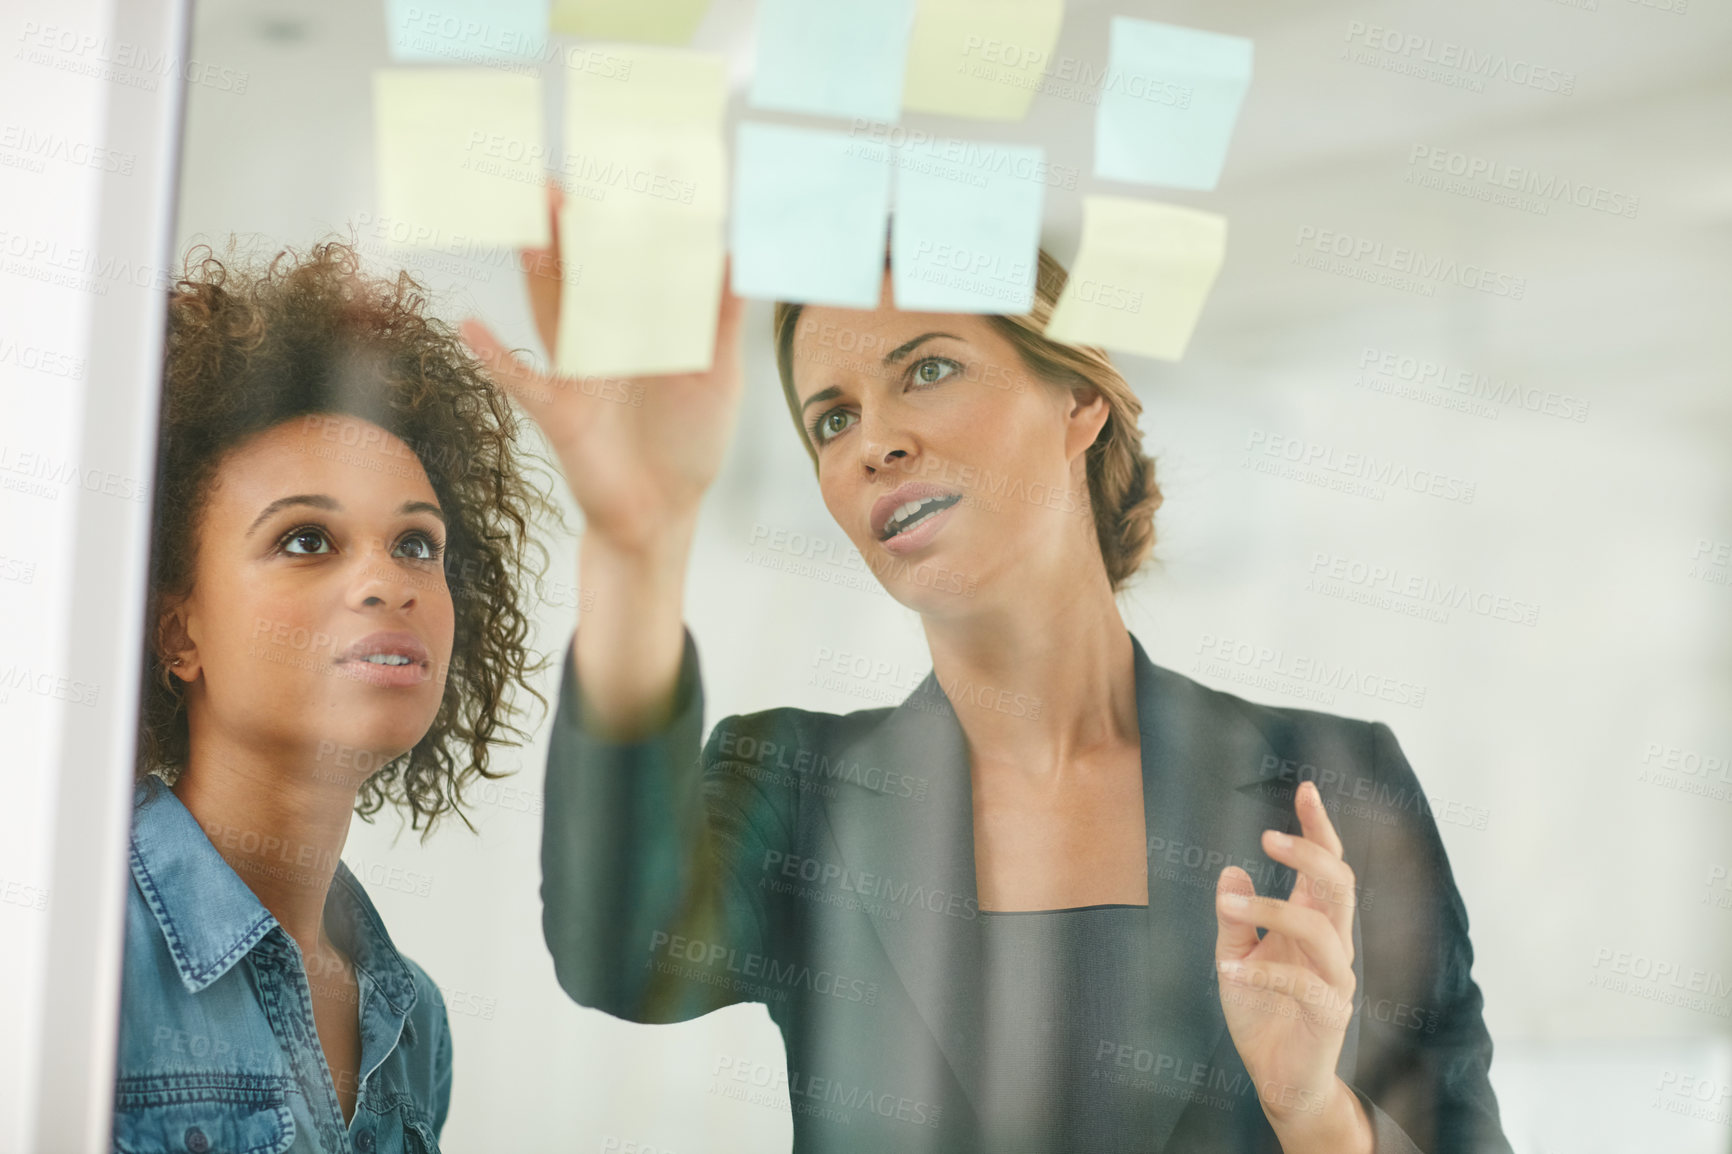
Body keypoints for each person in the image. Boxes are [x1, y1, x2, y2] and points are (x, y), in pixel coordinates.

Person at [462, 196, 1514, 1152]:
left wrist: (1314, 1113)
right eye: (832, 417)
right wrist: (639, 542)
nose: (875, 438)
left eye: (926, 368)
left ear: (1078, 400)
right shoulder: (796, 782)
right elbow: (620, 951)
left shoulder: (1332, 783)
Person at [116, 239, 556, 1154]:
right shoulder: (70, 940)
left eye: (417, 545)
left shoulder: (415, 1021)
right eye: (308, 540)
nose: (388, 584)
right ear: (178, 632)